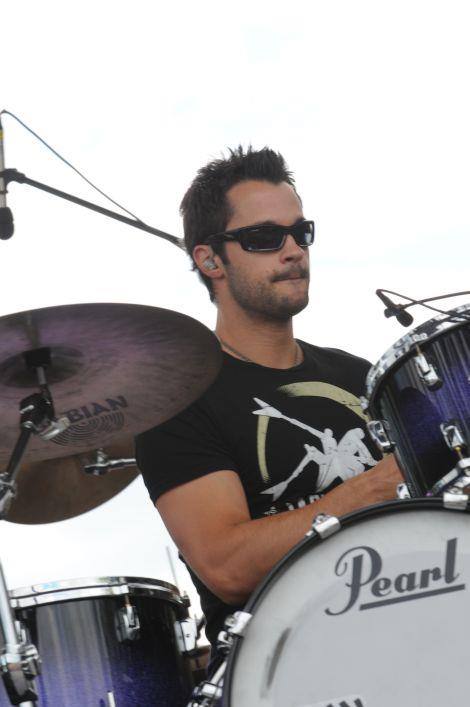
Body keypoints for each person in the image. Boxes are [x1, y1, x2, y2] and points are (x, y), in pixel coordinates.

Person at [135, 146, 402, 654]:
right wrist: (368, 491)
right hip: (285, 663)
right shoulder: (178, 402)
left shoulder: (359, 375)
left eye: (301, 232)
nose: (294, 250)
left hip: (410, 621)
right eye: (264, 237)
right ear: (209, 259)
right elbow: (227, 568)